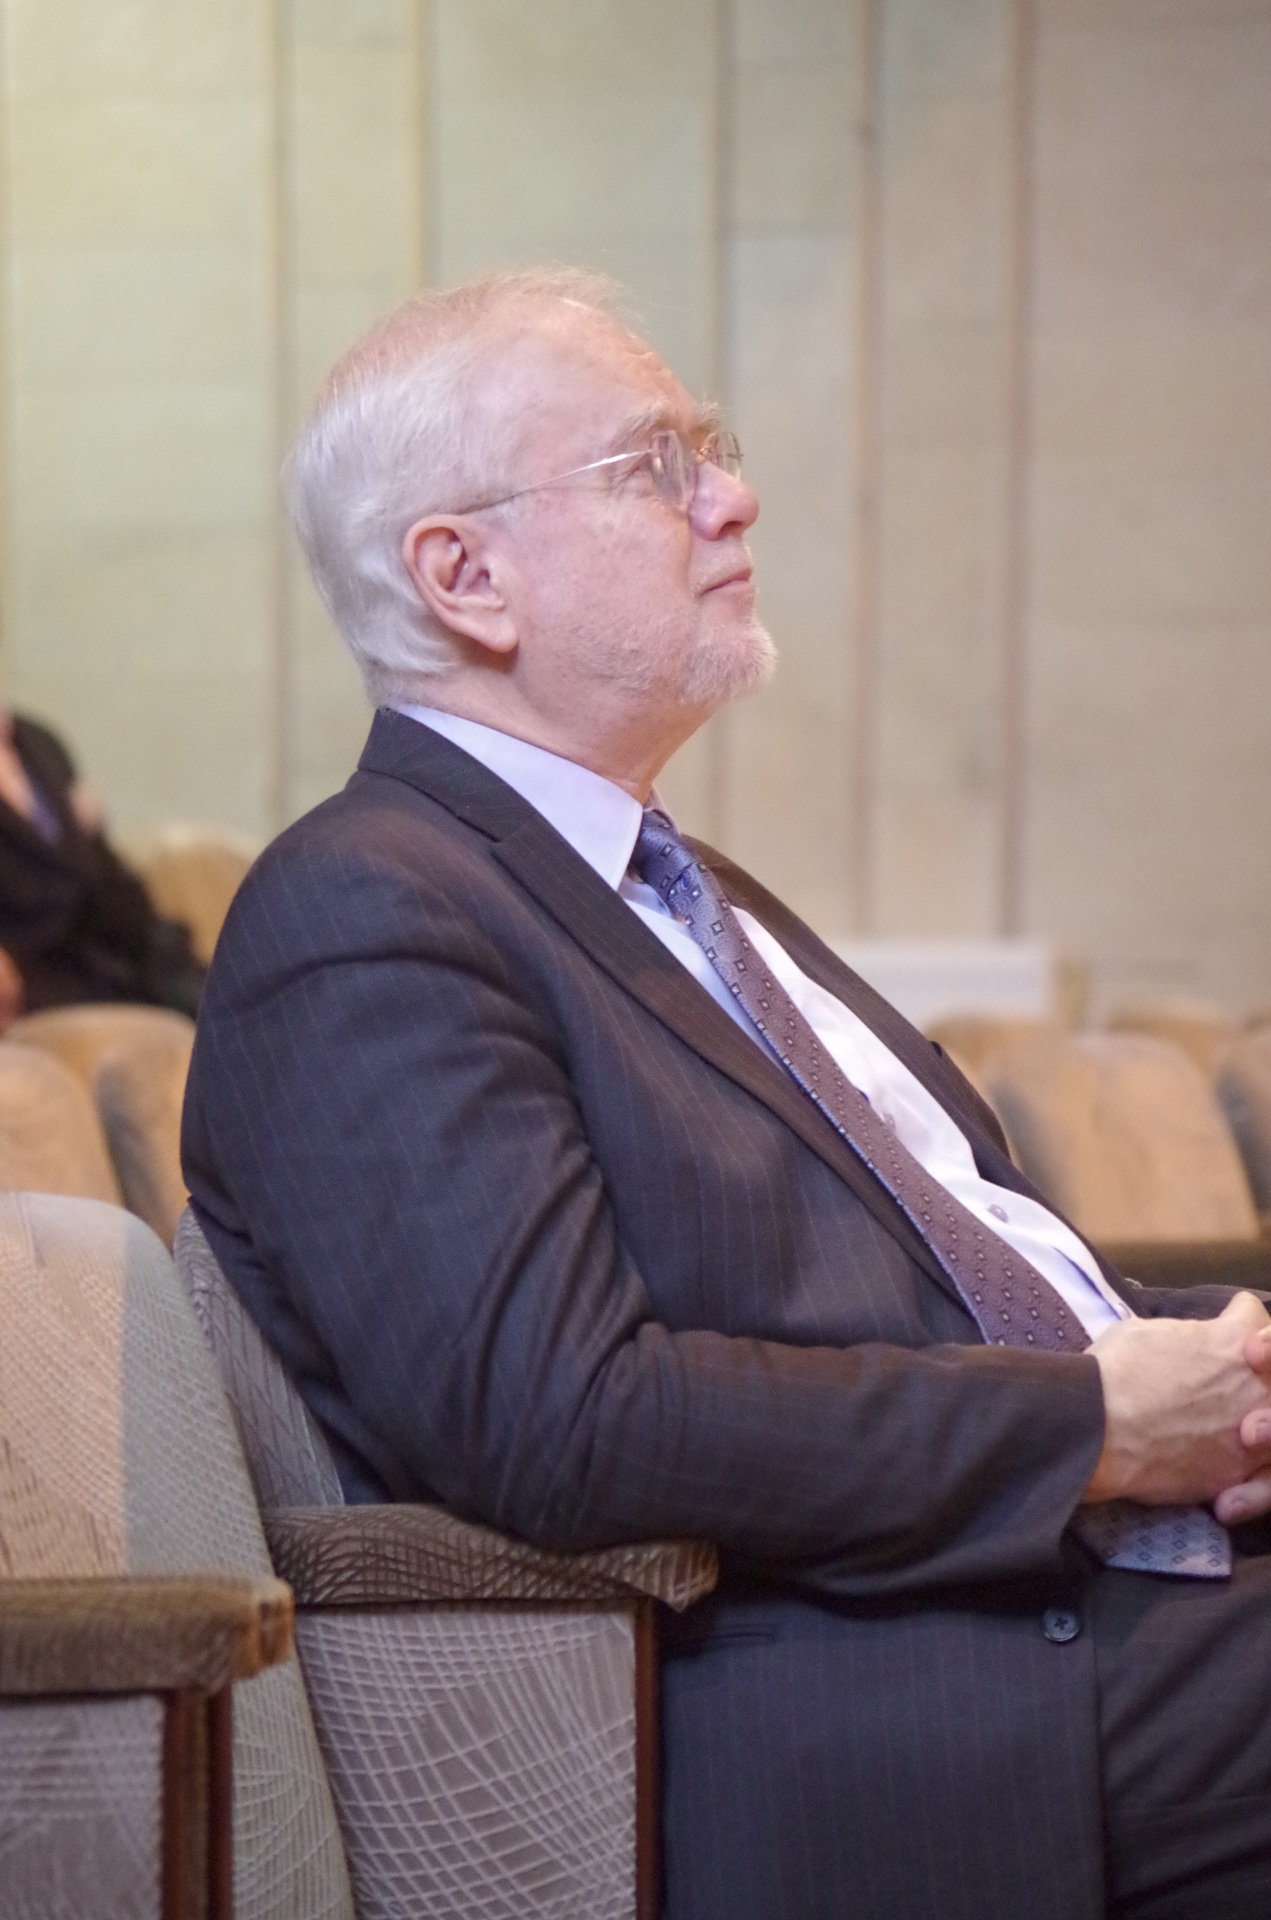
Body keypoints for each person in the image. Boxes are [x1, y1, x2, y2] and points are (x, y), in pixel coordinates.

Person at [182, 270, 1271, 1920]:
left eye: (713, 450)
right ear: (465, 577)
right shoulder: (364, 908)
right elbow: (565, 1421)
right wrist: (1101, 1428)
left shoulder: (687, 893)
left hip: (1085, 1589)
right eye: (655, 464)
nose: (732, 498)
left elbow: (960, 1269)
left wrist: (1230, 1378)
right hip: (917, 1691)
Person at [0, 708, 206, 1027]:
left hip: (105, 933)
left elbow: (98, 856)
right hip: (35, 959)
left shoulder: (38, 740)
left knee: (204, 986)